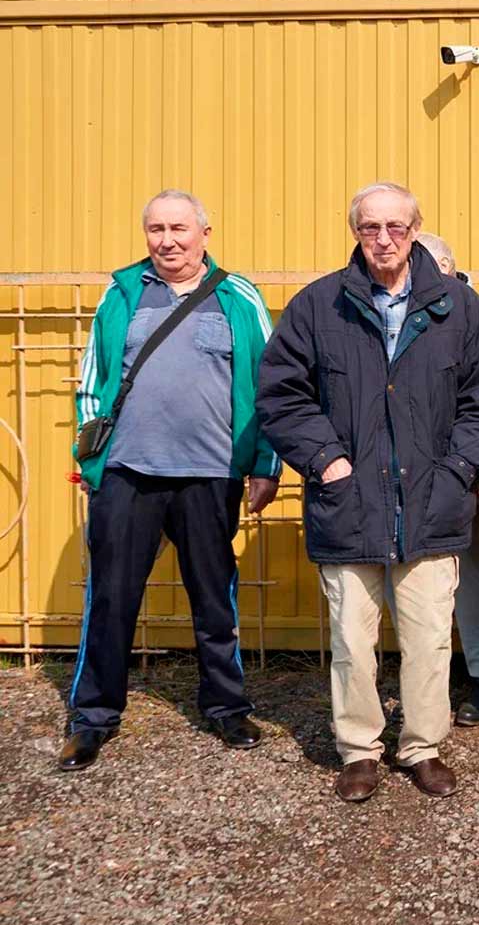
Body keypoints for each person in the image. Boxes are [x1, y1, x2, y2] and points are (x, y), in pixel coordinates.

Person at [257, 182, 479, 803]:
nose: (385, 239)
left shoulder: (459, 307)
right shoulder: (319, 307)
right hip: (347, 505)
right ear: (356, 233)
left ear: (417, 229)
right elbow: (282, 395)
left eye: (397, 227)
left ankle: (423, 746)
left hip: (431, 502)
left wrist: (457, 470)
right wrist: (326, 460)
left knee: (428, 639)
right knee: (351, 639)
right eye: (371, 228)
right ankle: (359, 750)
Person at [60, 190, 282, 772]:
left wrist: (265, 465)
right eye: (156, 229)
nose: (167, 240)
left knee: (213, 595)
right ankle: (93, 717)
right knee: (110, 597)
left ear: (206, 231)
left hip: (211, 473)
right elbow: (91, 379)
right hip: (129, 472)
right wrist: (92, 462)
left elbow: (266, 386)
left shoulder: (238, 296)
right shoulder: (122, 292)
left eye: (179, 228)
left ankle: (226, 707)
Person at [416, 231, 479, 727]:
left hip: (461, 464)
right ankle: (429, 676)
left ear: (451, 265)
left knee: (469, 574)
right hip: (404, 469)